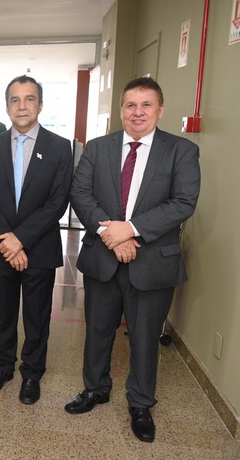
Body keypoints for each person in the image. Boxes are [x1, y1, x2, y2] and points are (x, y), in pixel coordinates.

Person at [66, 77, 200, 443]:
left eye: (146, 105)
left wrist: (132, 229)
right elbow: (80, 193)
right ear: (121, 109)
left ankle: (140, 403)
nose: (137, 112)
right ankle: (95, 389)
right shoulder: (97, 148)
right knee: (97, 329)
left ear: (160, 109)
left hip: (152, 261)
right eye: (130, 105)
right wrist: (112, 235)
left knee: (144, 337)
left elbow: (183, 203)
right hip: (104, 258)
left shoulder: (181, 151)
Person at [0, 76, 73, 405]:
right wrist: (8, 241)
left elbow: (57, 202)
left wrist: (20, 239)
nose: (22, 106)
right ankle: (2, 367)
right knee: (2, 313)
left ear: (40, 105)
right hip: (0, 247)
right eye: (15, 100)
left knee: (36, 316)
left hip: (39, 248)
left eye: (29, 99)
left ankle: (32, 373)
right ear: (7, 107)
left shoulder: (60, 147)